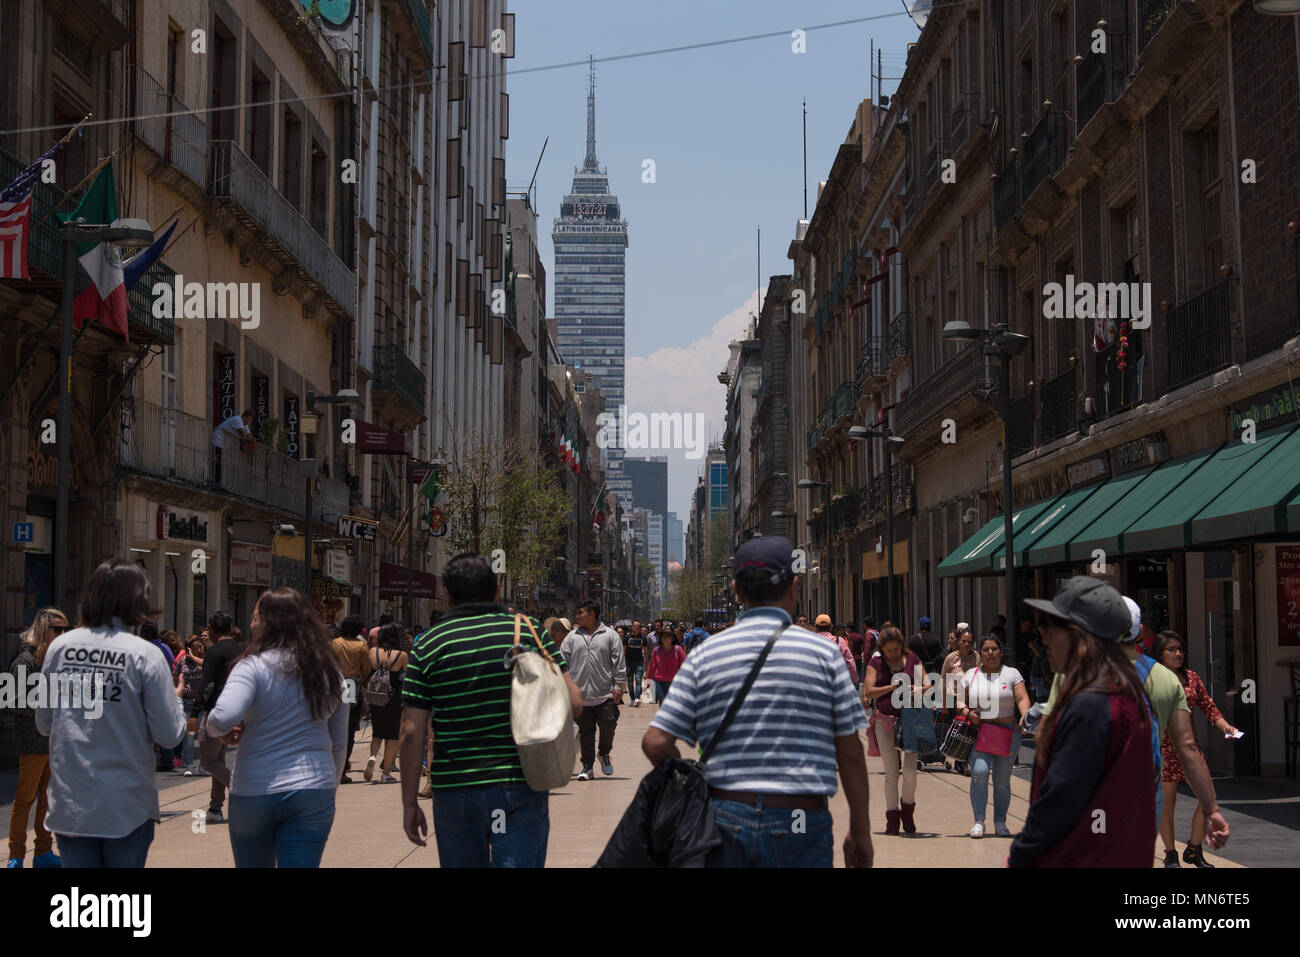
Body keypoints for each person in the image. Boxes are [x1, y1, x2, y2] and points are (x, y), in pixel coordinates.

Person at [643, 536, 872, 868]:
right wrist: (860, 831)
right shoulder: (825, 655)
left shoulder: (705, 655)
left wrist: (690, 784)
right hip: (801, 818)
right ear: (794, 585)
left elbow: (655, 742)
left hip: (724, 816)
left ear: (736, 590)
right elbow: (850, 752)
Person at [398, 553, 582, 867]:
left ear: (447, 593)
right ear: (497, 589)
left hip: (455, 790)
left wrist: (409, 802)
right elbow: (574, 703)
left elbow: (411, 731)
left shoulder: (428, 643)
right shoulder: (528, 631)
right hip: (518, 786)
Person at [1038, 594, 1230, 855]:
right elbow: (1187, 747)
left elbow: (1045, 736)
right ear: (1139, 632)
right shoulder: (1166, 679)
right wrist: (1211, 809)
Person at [36, 561, 185, 868]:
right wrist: (177, 701)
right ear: (137, 601)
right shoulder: (144, 655)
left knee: (85, 910)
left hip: (72, 803)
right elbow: (169, 734)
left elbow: (44, 723)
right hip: (126, 805)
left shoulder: (60, 648)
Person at [1011, 578, 1155, 866]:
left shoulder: (1092, 703)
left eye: (1052, 626)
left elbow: (1060, 799)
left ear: (1080, 635)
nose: (1044, 637)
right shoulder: (1119, 691)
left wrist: (1020, 855)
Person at [204, 589, 348, 868]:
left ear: (271, 622)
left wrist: (217, 731)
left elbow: (221, 718)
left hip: (254, 788)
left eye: (256, 617)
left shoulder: (251, 666)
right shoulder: (328, 669)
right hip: (313, 786)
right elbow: (339, 740)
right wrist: (330, 786)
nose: (250, 624)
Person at [1151, 630, 1239, 869]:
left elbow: (1209, 707)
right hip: (1164, 749)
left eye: (1180, 649)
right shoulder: (1152, 679)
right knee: (1167, 804)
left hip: (1190, 748)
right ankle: (1170, 854)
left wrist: (1225, 727)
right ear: (1160, 654)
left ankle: (1194, 848)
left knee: (1207, 796)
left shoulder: (1191, 678)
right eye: (1171, 649)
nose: (1178, 653)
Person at [7, 607, 70, 868]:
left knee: (48, 799)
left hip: (55, 741)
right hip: (33, 740)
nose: (64, 634)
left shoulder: (58, 659)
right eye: (59, 629)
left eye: (67, 629)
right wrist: (48, 706)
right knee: (25, 798)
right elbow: (13, 700)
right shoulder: (25, 661)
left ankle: (43, 851)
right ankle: (16, 854)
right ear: (44, 629)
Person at [960, 635, 1031, 838]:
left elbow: (1022, 697)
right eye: (986, 650)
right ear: (980, 654)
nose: (990, 653)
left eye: (994, 649)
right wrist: (967, 713)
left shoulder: (1012, 674)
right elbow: (953, 699)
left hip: (1007, 733)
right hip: (981, 733)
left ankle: (1000, 822)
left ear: (1001, 652)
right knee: (980, 773)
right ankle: (979, 821)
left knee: (1002, 780)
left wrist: (1025, 716)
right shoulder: (970, 675)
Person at [861, 625, 925, 834]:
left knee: (910, 771)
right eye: (889, 651)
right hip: (885, 721)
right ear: (882, 649)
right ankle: (892, 818)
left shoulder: (913, 659)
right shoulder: (876, 662)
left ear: (902, 646)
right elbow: (869, 691)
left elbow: (928, 684)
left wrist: (919, 689)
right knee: (891, 773)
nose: (893, 654)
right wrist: (891, 687)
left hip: (910, 720)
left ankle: (908, 811)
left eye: (896, 650)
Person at [561, 600, 626, 781]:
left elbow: (618, 662)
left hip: (604, 693)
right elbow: (562, 662)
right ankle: (587, 766)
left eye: (580, 612)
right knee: (586, 732)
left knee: (609, 723)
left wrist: (619, 685)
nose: (577, 616)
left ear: (592, 614)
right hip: (580, 695)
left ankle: (604, 753)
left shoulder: (610, 635)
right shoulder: (572, 637)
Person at [363, 624, 409, 784]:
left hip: (376, 698)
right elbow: (408, 677)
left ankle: (372, 756)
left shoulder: (373, 652)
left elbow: (367, 672)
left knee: (377, 733)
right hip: (394, 698)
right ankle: (386, 773)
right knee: (392, 737)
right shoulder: (402, 655)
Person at [330, 614, 373, 783]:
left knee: (332, 726)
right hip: (352, 687)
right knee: (348, 730)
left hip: (334, 685)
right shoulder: (361, 646)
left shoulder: (334, 643)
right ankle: (342, 769)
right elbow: (366, 669)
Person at [940, 627, 979, 775]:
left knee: (970, 732)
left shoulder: (977, 657)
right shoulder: (951, 658)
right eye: (964, 641)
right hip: (953, 699)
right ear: (959, 641)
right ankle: (958, 760)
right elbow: (943, 681)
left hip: (972, 701)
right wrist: (943, 705)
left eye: (969, 642)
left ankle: (964, 761)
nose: (966, 644)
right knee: (958, 731)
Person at [174, 636, 208, 775]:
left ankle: (203, 765)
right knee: (189, 736)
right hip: (187, 703)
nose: (199, 650)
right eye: (195, 648)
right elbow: (175, 678)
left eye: (200, 647)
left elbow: (205, 666)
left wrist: (194, 657)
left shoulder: (205, 660)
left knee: (202, 736)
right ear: (189, 649)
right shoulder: (182, 662)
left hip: (201, 703)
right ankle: (189, 765)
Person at [212, 409, 254, 485]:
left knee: (225, 463)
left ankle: (222, 482)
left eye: (249, 421)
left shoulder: (244, 423)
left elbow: (249, 434)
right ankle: (217, 482)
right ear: (244, 416)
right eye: (247, 420)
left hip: (225, 443)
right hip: (219, 440)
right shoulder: (237, 420)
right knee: (219, 462)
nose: (247, 422)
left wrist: (253, 439)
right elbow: (243, 434)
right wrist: (251, 439)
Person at [814, 614, 858, 685]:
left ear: (815, 627)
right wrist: (854, 680)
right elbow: (850, 662)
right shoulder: (839, 641)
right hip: (835, 682)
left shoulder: (810, 641)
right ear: (831, 627)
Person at [646, 628, 685, 703]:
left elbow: (685, 667)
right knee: (663, 703)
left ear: (672, 638)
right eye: (663, 635)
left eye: (667, 635)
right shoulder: (656, 650)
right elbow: (651, 668)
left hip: (674, 683)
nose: (664, 637)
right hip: (659, 683)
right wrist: (648, 683)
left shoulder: (678, 650)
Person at [622, 621, 647, 706]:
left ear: (640, 628)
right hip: (628, 662)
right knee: (630, 681)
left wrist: (646, 664)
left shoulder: (643, 638)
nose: (636, 627)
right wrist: (622, 662)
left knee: (638, 680)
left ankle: (637, 698)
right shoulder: (627, 637)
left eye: (638, 626)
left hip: (639, 662)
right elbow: (623, 651)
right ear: (632, 627)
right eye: (634, 626)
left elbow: (646, 651)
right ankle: (632, 699)